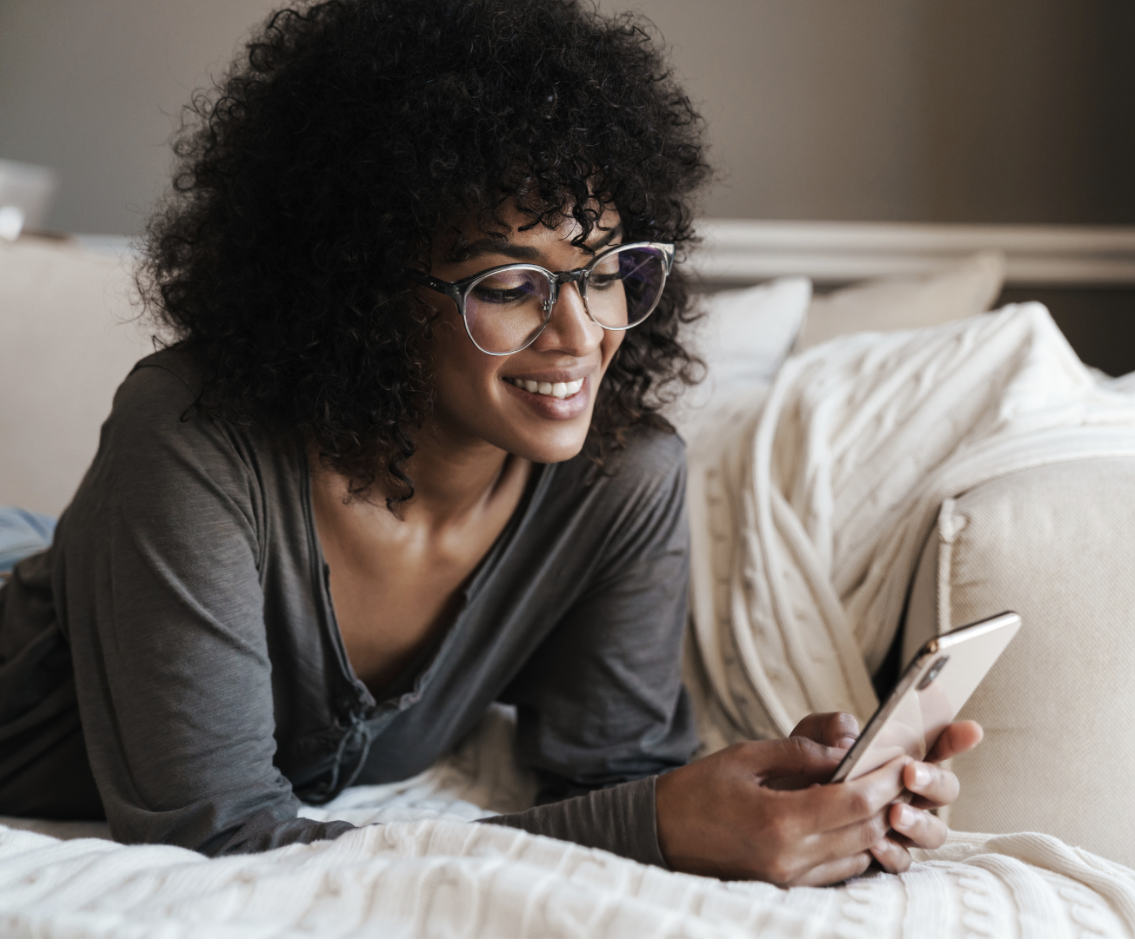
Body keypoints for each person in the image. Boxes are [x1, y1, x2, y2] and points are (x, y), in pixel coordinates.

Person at [0, 0, 980, 886]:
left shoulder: (619, 484)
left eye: (604, 272)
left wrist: (783, 797)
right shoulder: (191, 437)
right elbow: (214, 838)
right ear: (362, 295)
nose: (577, 334)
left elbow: (613, 776)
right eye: (509, 285)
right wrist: (659, 827)